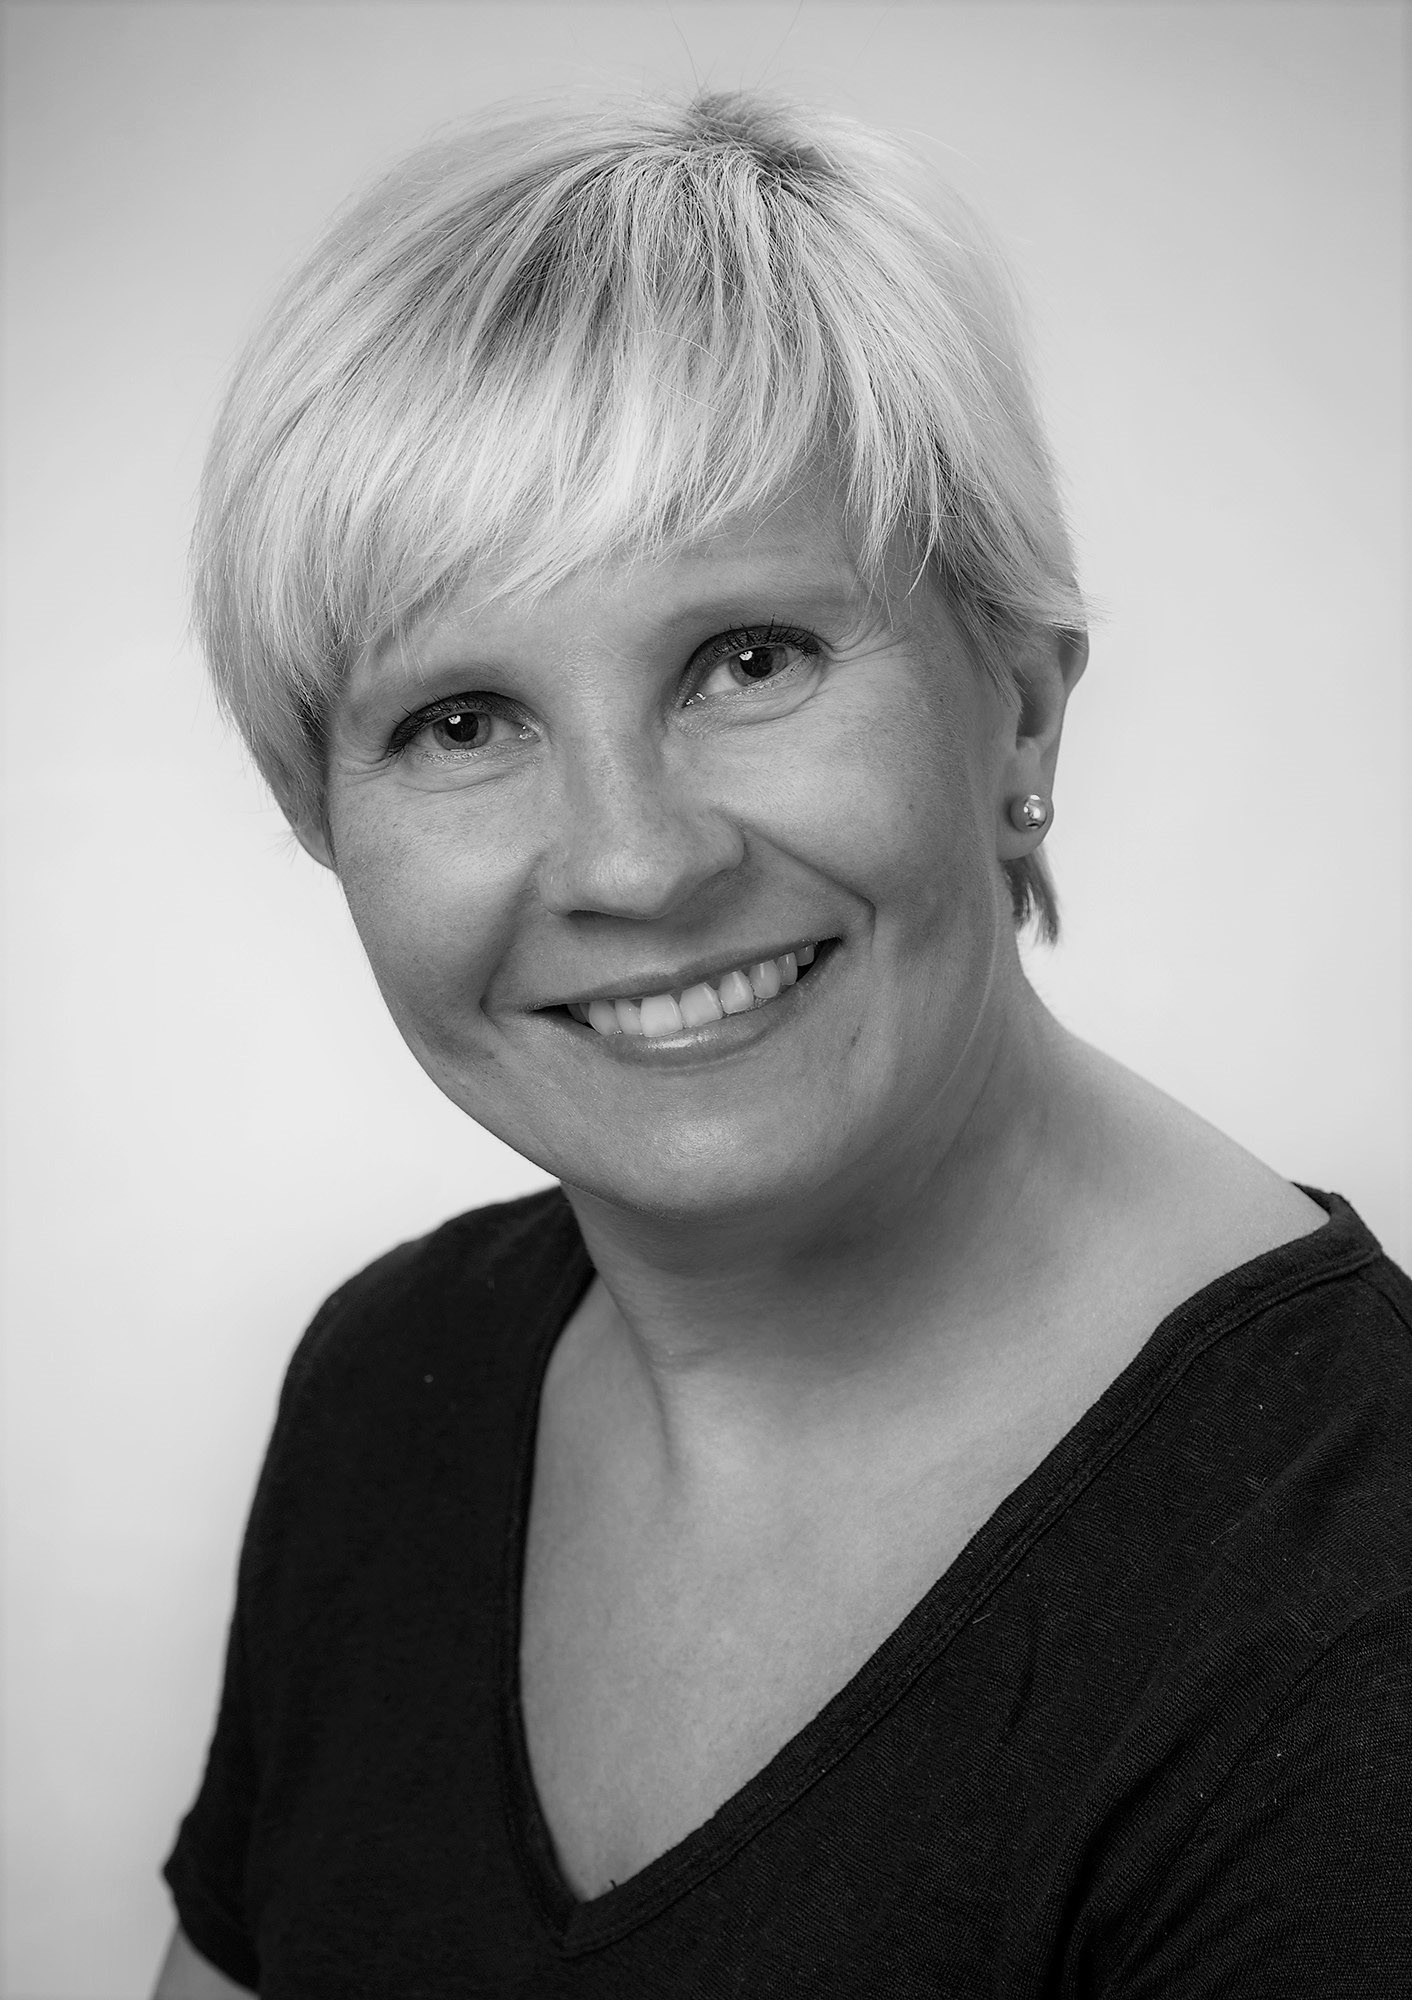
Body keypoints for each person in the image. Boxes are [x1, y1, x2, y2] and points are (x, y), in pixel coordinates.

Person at [153, 87, 1412, 1999]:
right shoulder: (387, 1388)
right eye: (461, 721)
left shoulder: (1349, 1620)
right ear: (320, 816)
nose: (634, 862)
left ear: (1019, 709)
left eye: (749, 658)